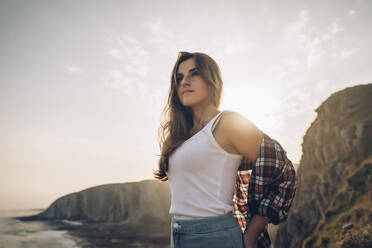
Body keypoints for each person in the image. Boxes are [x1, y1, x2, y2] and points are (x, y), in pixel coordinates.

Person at [153, 51, 297, 248]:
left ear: (212, 80)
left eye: (194, 73)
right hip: (178, 233)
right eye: (179, 77)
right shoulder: (179, 134)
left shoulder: (227, 123)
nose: (184, 82)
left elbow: (285, 172)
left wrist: (252, 233)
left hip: (216, 237)